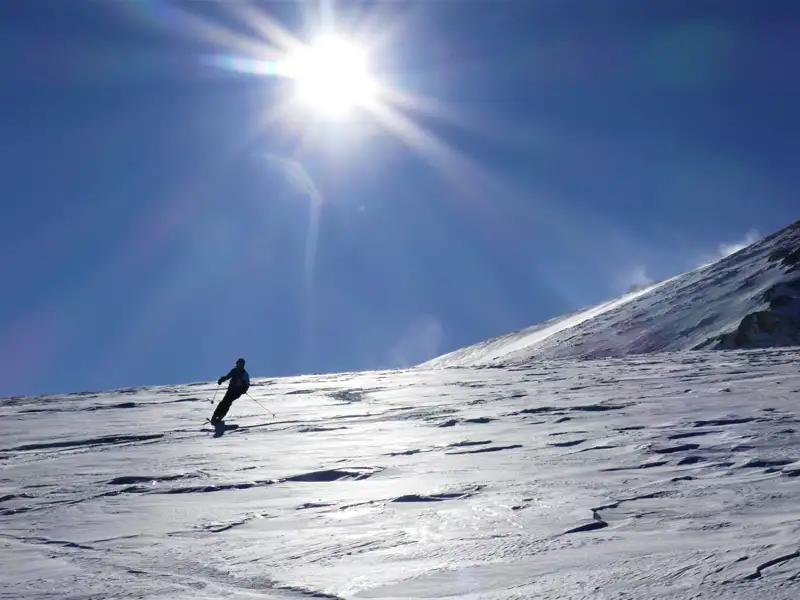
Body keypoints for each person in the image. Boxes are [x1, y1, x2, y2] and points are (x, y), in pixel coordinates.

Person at [210, 358, 250, 424]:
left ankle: (219, 415)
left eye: (241, 364)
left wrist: (244, 389)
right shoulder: (234, 370)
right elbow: (228, 376)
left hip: (237, 391)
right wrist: (222, 379)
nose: (239, 365)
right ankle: (216, 415)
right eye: (239, 363)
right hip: (231, 389)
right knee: (225, 402)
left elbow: (247, 383)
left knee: (227, 401)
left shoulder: (244, 373)